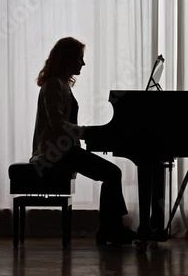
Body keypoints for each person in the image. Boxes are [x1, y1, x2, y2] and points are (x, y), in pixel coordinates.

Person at [30, 37, 136, 245]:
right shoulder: (53, 85)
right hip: (54, 154)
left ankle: (110, 229)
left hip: (63, 151)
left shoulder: (60, 84)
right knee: (112, 173)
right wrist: (87, 133)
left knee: (111, 174)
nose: (83, 63)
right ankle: (111, 230)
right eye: (80, 58)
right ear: (68, 59)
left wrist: (86, 135)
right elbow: (56, 123)